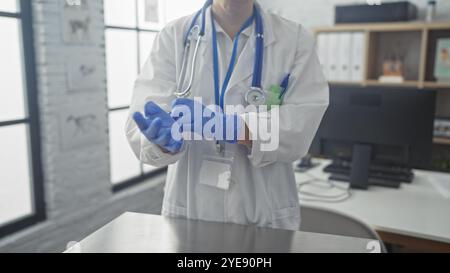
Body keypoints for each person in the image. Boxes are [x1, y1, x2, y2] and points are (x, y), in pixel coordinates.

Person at [125, 0, 329, 231]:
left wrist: (234, 127)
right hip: (191, 211)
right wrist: (162, 142)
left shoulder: (294, 39)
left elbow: (301, 125)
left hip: (266, 211)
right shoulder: (174, 36)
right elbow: (145, 113)